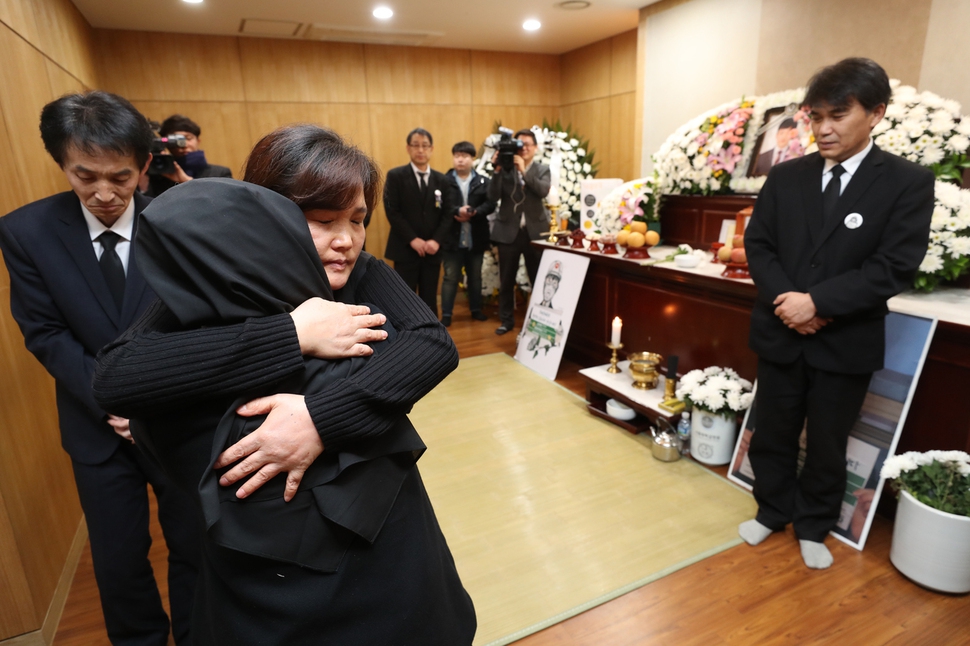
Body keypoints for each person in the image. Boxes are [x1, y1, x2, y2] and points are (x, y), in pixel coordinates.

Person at [93, 125, 476, 645]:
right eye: (323, 221)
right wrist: (292, 334)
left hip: (381, 546)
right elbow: (118, 375)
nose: (346, 239)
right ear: (266, 214)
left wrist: (320, 418)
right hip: (262, 563)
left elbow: (432, 345)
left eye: (358, 220)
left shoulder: (357, 270)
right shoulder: (215, 275)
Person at [0, 91, 200, 646]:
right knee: (117, 562)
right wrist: (114, 400)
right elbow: (45, 333)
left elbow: (200, 320)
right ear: (62, 164)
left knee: (195, 546)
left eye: (122, 177)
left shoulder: (179, 221)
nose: (105, 193)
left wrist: (150, 398)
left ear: (143, 167)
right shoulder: (27, 232)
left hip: (177, 420)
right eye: (85, 176)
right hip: (96, 426)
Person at [741, 58, 934, 569]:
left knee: (828, 440)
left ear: (875, 113)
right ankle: (771, 510)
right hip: (782, 330)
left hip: (844, 338)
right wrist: (791, 303)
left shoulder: (907, 182)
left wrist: (818, 304)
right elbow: (759, 246)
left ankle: (813, 523)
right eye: (816, 116)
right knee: (774, 430)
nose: (823, 129)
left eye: (838, 116)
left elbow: (894, 266)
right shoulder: (786, 177)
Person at [382, 127, 453, 318]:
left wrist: (436, 241)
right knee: (404, 298)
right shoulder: (395, 176)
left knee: (430, 297)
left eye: (425, 146)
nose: (420, 150)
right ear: (408, 148)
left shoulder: (442, 180)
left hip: (432, 250)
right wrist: (413, 239)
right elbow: (392, 211)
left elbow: (448, 214)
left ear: (432, 149)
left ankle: (433, 336)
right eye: (416, 145)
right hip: (406, 249)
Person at [488, 128, 551, 335]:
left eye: (527, 145)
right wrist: (497, 169)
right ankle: (506, 321)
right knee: (506, 280)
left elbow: (542, 190)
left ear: (535, 148)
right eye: (519, 144)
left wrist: (524, 170)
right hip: (508, 232)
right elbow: (492, 196)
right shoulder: (505, 168)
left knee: (538, 279)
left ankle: (539, 321)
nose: (523, 148)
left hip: (535, 233)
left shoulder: (542, 169)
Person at [440, 140, 496, 327]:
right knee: (450, 278)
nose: (460, 160)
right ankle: (446, 314)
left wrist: (474, 212)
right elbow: (440, 207)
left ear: (472, 159)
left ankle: (476, 310)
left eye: (464, 156)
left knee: (475, 277)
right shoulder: (443, 181)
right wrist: (457, 211)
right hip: (451, 239)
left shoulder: (483, 181)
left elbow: (490, 204)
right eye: (457, 156)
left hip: (476, 239)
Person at [147, 114, 232, 196]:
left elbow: (225, 202)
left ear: (198, 141)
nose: (183, 145)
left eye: (188, 138)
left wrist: (187, 181)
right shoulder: (160, 176)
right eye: (176, 141)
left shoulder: (220, 173)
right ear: (167, 144)